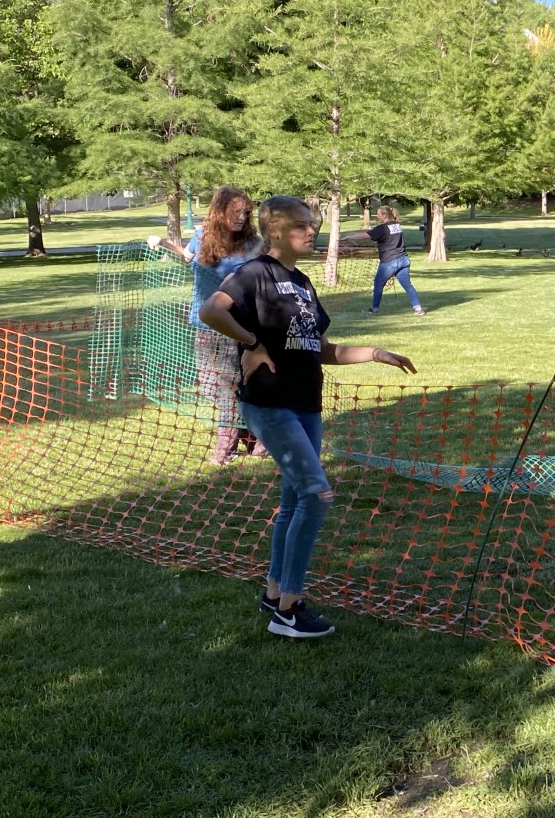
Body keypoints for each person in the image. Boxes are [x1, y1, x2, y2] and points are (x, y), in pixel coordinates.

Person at [200, 195, 416, 639]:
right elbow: (211, 311)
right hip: (270, 403)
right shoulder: (255, 273)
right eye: (300, 224)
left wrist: (375, 353)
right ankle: (289, 609)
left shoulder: (302, 282)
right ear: (274, 230)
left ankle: (274, 592)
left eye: (312, 223)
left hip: (306, 404)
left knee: (295, 500)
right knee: (316, 495)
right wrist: (252, 343)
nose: (311, 230)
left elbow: (321, 349)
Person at [148, 187, 264, 464]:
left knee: (229, 388)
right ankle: (255, 441)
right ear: (220, 211)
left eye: (246, 212)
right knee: (214, 386)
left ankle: (227, 449)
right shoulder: (202, 236)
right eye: (235, 211)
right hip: (204, 326)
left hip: (235, 327)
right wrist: (162, 242)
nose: (241, 217)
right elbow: (188, 257)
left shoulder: (253, 244)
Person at [349, 205, 425, 316]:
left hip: (390, 262)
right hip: (403, 260)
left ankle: (374, 308)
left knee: (378, 284)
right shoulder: (397, 225)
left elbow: (364, 235)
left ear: (384, 215)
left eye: (378, 214)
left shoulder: (383, 228)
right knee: (408, 285)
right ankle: (418, 309)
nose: (377, 216)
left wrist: (348, 237)